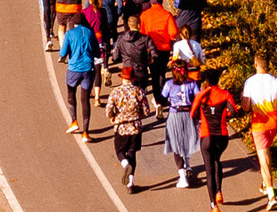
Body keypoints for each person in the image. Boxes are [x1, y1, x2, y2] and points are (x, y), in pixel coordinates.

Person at [191, 70, 243, 212]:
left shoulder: (201, 95)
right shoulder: (225, 94)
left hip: (206, 136)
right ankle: (219, 191)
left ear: (206, 81)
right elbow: (234, 111)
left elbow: (193, 114)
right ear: (218, 79)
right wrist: (223, 115)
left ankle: (213, 205)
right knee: (216, 160)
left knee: (209, 168)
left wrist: (203, 114)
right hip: (222, 136)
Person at [239, 60, 277, 210]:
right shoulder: (276, 81)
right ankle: (265, 184)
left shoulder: (250, 82)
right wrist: (275, 110)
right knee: (266, 156)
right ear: (268, 65)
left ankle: (271, 195)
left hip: (259, 125)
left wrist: (242, 98)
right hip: (274, 124)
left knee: (264, 161)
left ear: (255, 64)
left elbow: (246, 107)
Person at [104, 64, 150, 192]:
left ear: (122, 79)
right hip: (135, 126)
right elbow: (146, 111)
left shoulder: (116, 92)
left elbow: (109, 110)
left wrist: (113, 116)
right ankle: (130, 183)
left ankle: (125, 164)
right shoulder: (139, 91)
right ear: (133, 79)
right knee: (132, 153)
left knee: (119, 151)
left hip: (121, 126)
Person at [161, 59, 202, 191]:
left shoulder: (169, 84)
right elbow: (198, 97)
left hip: (174, 115)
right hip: (188, 114)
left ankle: (182, 175)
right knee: (187, 141)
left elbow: (162, 98)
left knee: (176, 145)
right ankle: (188, 165)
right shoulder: (192, 83)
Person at [60, 10, 97, 136]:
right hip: (88, 69)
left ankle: (74, 121)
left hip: (74, 70)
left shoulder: (70, 34)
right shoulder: (90, 33)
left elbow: (63, 53)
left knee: (71, 93)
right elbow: (97, 53)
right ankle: (86, 132)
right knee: (85, 99)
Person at [137, 0, 178, 98]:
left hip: (150, 49)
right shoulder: (167, 15)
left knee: (154, 73)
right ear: (161, 2)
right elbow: (173, 32)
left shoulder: (145, 15)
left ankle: (157, 98)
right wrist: (168, 38)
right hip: (164, 48)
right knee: (162, 72)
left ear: (151, 2)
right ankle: (162, 94)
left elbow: (141, 32)